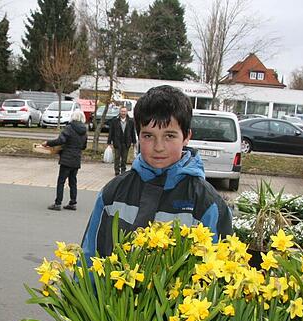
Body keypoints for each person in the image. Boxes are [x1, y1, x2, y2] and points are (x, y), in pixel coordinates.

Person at [82, 85, 232, 259]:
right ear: (138, 136)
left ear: (187, 137)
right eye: (148, 136)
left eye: (169, 136)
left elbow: (219, 271)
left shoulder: (207, 203)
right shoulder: (113, 193)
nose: (159, 147)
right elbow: (88, 260)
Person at [43, 110, 88, 211]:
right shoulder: (84, 130)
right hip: (76, 158)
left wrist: (48, 143)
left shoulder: (69, 128)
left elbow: (61, 140)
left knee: (61, 181)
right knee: (73, 181)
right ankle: (73, 202)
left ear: (73, 117)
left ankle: (58, 203)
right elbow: (84, 146)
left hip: (66, 158)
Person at [106, 106, 137, 175]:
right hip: (117, 142)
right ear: (120, 112)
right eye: (122, 111)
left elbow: (133, 133)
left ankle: (123, 170)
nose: (123, 113)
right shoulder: (115, 121)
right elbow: (111, 132)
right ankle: (117, 171)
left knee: (124, 158)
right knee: (117, 157)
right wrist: (109, 142)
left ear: (127, 112)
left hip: (126, 142)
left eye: (124, 111)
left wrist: (134, 142)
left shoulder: (131, 121)